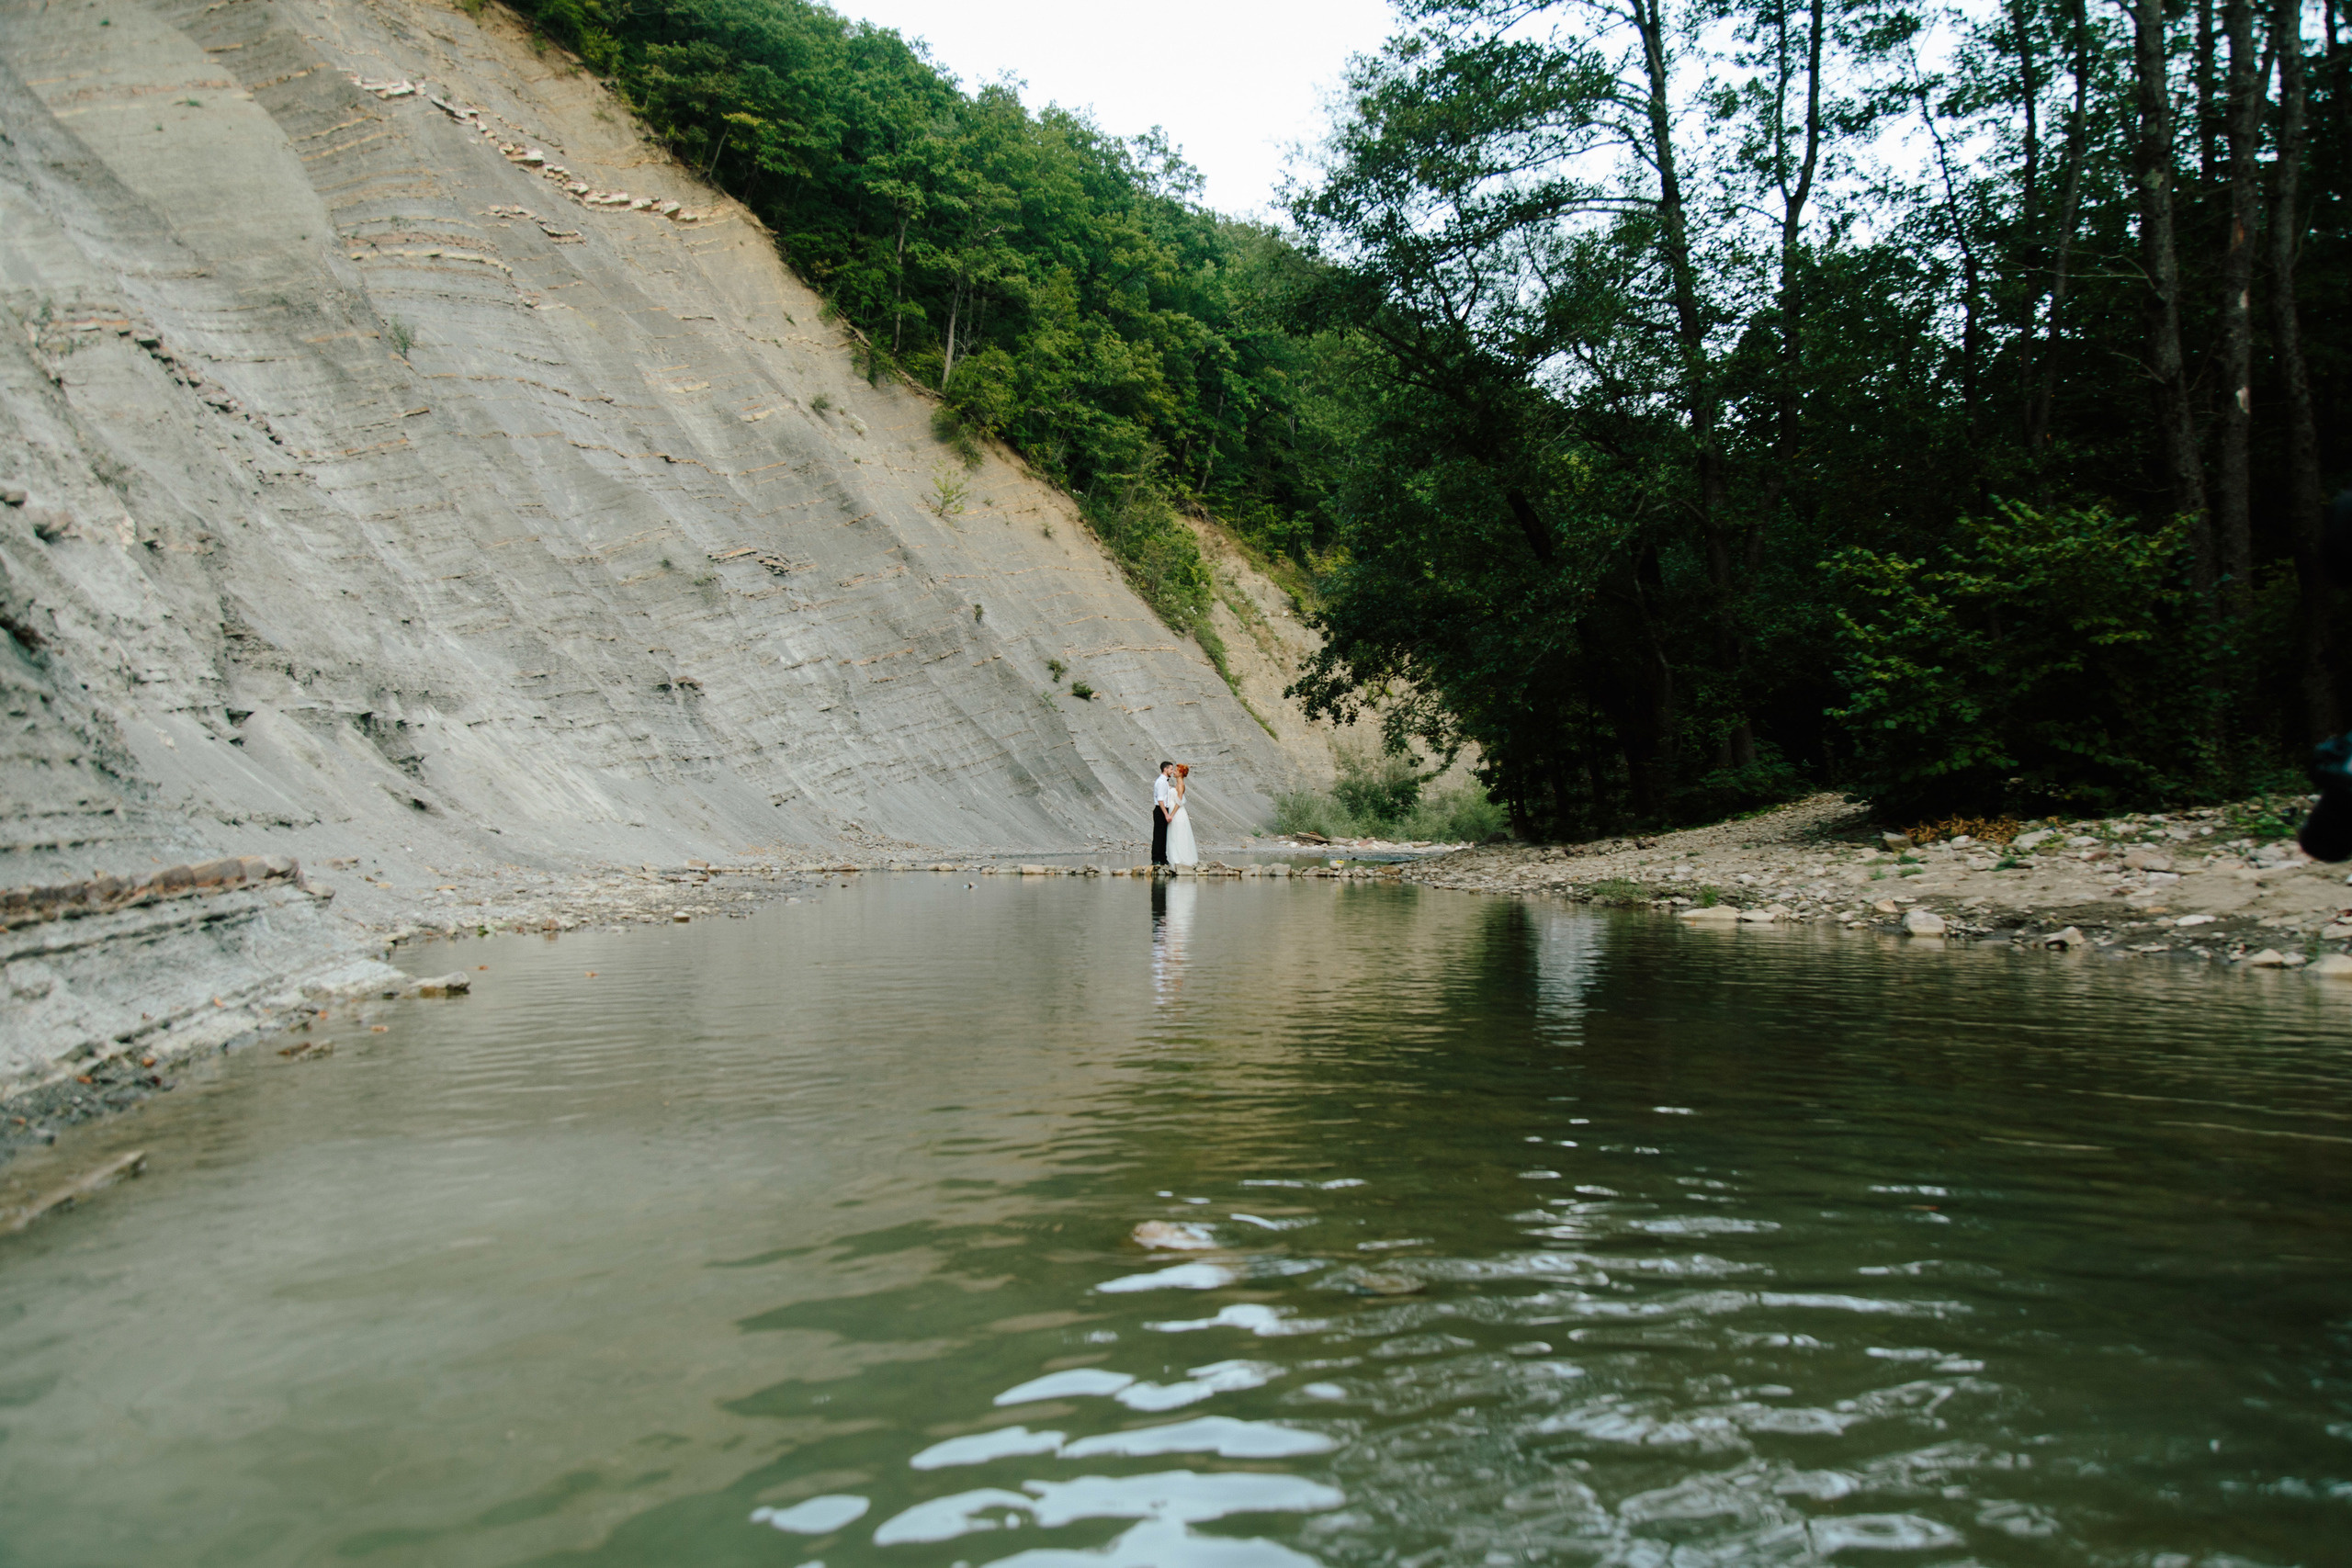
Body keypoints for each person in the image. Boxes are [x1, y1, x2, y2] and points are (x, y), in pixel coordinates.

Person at [1166, 763, 1199, 867]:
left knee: (1178, 834)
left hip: (1177, 813)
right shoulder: (1177, 784)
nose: (1174, 772)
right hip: (1175, 811)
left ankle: (1179, 858)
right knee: (1173, 834)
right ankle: (1175, 858)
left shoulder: (1180, 785)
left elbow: (1179, 801)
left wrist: (1171, 814)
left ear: (1180, 773)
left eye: (1176, 770)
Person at [1151, 761, 1177, 867]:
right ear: (1165, 769)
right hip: (1160, 810)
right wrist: (1166, 814)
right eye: (1171, 769)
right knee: (1158, 835)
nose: (1172, 771)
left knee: (1163, 835)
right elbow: (1160, 800)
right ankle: (1156, 858)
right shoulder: (1161, 782)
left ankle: (1162, 858)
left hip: (1163, 809)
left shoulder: (1165, 781)